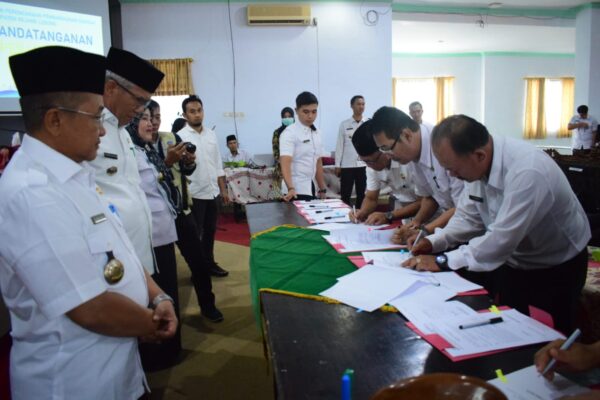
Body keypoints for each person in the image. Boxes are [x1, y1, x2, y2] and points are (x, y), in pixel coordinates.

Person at [0, 45, 176, 400]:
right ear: (54, 120)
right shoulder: (31, 194)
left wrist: (157, 296)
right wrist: (151, 323)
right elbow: (89, 308)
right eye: (95, 117)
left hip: (118, 371)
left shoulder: (76, 174)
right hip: (75, 382)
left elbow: (120, 249)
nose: (102, 130)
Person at [406, 114, 590, 334]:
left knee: (550, 337)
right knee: (510, 328)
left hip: (556, 264)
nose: (450, 174)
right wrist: (434, 241)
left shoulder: (528, 171)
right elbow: (468, 218)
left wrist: (443, 260)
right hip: (514, 262)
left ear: (479, 155)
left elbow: (501, 238)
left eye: (453, 169)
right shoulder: (475, 167)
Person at [88, 47, 164, 276]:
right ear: (111, 88)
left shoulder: (123, 132)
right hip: (107, 259)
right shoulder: (89, 129)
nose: (141, 110)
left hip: (137, 250)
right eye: (138, 100)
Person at [152, 101, 224, 323]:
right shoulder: (133, 146)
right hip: (156, 217)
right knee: (164, 271)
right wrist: (167, 162)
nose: (153, 122)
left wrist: (189, 163)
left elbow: (185, 170)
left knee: (199, 261)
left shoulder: (170, 138)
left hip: (181, 209)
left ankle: (208, 305)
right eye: (146, 118)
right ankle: (167, 316)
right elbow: (145, 182)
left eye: (157, 117)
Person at [127, 107, 183, 370]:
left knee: (168, 291)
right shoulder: (129, 152)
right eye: (144, 119)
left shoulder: (146, 150)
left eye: (152, 119)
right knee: (155, 296)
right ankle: (158, 355)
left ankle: (172, 349)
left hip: (163, 232)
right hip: (148, 237)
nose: (150, 124)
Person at [370, 106, 464, 243]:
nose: (387, 156)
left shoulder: (444, 146)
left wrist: (425, 231)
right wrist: (415, 224)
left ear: (407, 135)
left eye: (387, 148)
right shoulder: (411, 154)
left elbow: (462, 207)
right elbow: (429, 197)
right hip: (454, 225)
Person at [178, 95, 230, 277]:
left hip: (212, 191)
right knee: (195, 234)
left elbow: (217, 164)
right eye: (192, 112)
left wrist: (223, 189)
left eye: (199, 110)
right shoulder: (180, 137)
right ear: (185, 115)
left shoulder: (211, 134)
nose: (197, 114)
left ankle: (210, 263)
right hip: (194, 193)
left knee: (210, 231)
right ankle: (198, 270)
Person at [349, 120, 420, 225]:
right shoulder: (372, 165)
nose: (369, 166)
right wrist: (362, 212)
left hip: (432, 216)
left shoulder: (406, 160)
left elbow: (424, 201)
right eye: (364, 161)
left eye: (371, 161)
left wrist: (388, 215)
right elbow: (371, 198)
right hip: (406, 216)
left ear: (384, 149)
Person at [280, 91, 328, 201]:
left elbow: (318, 161)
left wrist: (322, 188)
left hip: (311, 187)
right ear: (296, 110)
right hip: (294, 190)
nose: (310, 116)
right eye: (306, 112)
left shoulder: (317, 132)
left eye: (314, 112)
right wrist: (291, 188)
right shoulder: (289, 133)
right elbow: (285, 162)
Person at [335, 95, 367, 208]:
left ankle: (360, 214)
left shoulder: (368, 123)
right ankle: (344, 213)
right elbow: (339, 145)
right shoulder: (344, 124)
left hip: (364, 165)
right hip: (347, 165)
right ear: (352, 106)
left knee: (362, 194)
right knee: (345, 194)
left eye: (363, 104)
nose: (361, 106)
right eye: (358, 104)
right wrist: (337, 165)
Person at [272, 107, 295, 191]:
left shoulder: (299, 131)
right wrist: (283, 162)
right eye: (285, 117)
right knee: (279, 193)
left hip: (296, 166)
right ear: (282, 118)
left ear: (293, 117)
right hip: (281, 167)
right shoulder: (277, 132)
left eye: (289, 116)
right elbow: (275, 150)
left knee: (296, 194)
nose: (287, 119)